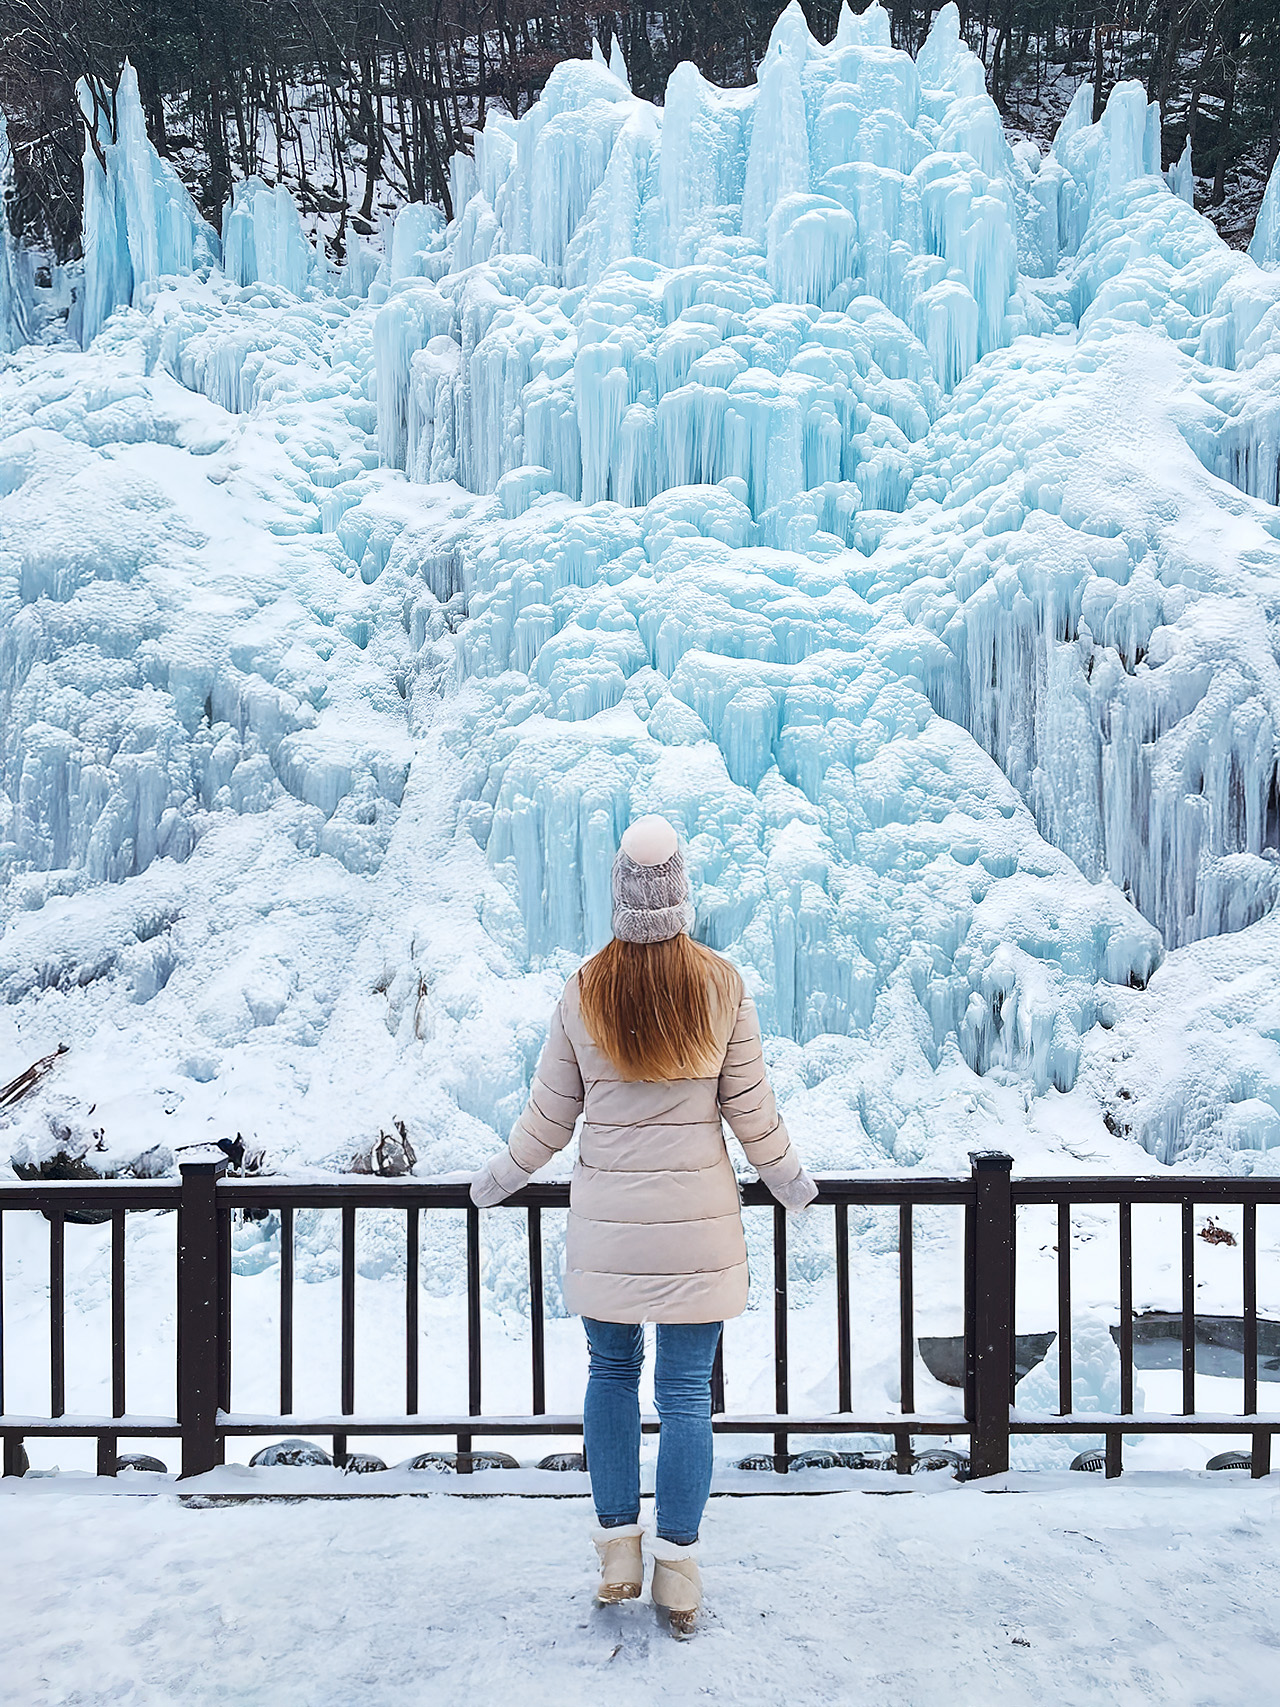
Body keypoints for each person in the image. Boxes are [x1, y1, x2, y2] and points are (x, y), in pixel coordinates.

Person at [471, 814, 816, 1634]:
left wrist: (494, 1181)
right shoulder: (721, 986)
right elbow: (753, 1114)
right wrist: (793, 1185)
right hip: (697, 1231)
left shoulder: (586, 988)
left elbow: (548, 1120)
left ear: (622, 893)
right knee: (688, 1394)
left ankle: (618, 1551)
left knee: (612, 1375)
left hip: (610, 1226)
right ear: (681, 890)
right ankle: (680, 1572)